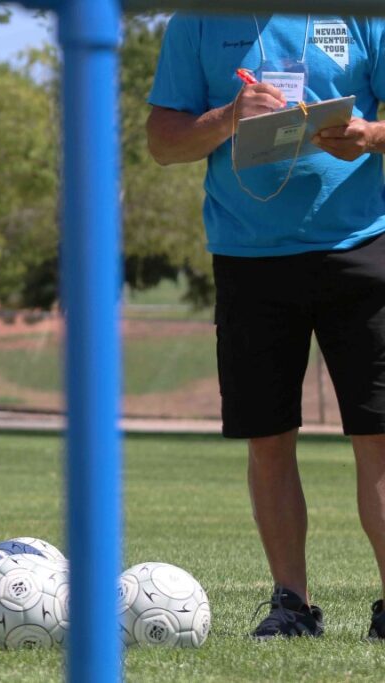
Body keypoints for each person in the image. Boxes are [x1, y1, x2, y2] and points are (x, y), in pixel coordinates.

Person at [147, 13, 385, 640]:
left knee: (379, 437)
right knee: (268, 439)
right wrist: (229, 117)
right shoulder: (193, 24)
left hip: (361, 249)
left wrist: (369, 133)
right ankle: (292, 606)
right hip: (250, 259)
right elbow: (163, 142)